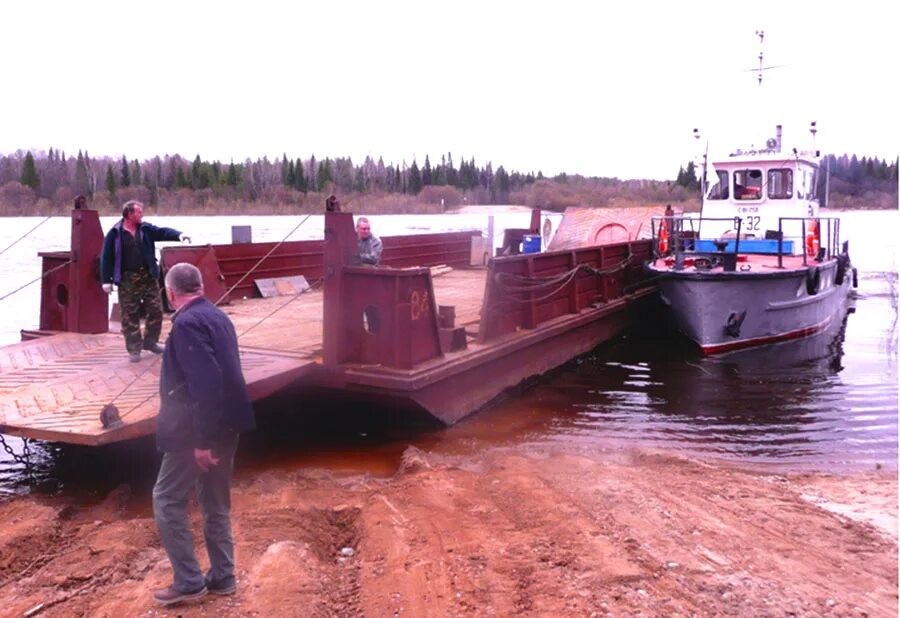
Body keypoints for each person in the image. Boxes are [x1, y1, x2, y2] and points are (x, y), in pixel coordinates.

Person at [152, 262, 255, 607]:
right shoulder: (217, 316)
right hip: (228, 425)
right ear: (199, 286)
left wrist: (202, 442)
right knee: (215, 503)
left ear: (170, 293)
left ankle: (189, 581)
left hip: (195, 431)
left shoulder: (186, 325)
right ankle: (223, 577)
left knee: (166, 499)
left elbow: (206, 385)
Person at [100, 200, 190, 362]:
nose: (142, 214)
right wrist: (106, 280)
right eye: (139, 212)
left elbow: (162, 232)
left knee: (155, 310)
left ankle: (150, 342)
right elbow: (106, 257)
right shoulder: (114, 233)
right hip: (127, 279)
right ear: (129, 214)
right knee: (129, 314)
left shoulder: (146, 229)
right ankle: (134, 349)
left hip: (148, 276)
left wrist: (178, 235)